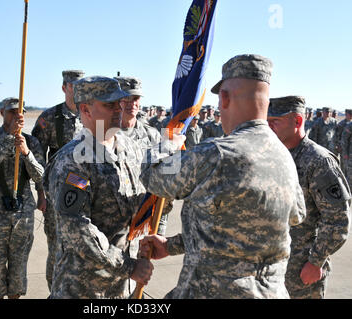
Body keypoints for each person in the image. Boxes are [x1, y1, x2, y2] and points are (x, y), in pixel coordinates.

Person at [139, 54, 306, 299]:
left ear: (224, 98)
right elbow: (294, 216)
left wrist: (166, 145)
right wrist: (171, 246)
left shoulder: (217, 154)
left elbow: (152, 175)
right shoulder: (284, 156)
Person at [46, 76, 155, 299]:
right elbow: (77, 229)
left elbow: (140, 201)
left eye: (119, 103)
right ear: (85, 109)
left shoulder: (130, 149)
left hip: (121, 287)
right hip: (84, 287)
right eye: (109, 104)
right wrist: (128, 266)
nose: (118, 109)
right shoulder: (73, 160)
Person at [267, 96, 351, 299]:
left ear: (297, 121)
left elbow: (338, 220)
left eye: (274, 122)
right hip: (269, 270)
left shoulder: (319, 161)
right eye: (266, 122)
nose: (268, 128)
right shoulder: (271, 157)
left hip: (301, 273)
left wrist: (315, 262)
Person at [0, 98, 45, 299]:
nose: (16, 116)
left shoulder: (31, 141)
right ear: (2, 112)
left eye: (20, 113)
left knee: (18, 267)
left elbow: (41, 175)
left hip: (22, 212)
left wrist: (26, 153)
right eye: (11, 112)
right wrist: (9, 137)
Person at [31, 70, 84, 292]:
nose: (78, 89)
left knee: (84, 247)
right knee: (57, 247)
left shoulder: (92, 114)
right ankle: (55, 291)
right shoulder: (50, 118)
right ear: (64, 88)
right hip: (57, 196)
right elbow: (36, 156)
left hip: (87, 194)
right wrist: (41, 193)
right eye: (74, 85)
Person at [116, 76, 172, 236]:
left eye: (135, 98)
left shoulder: (153, 136)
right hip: (110, 230)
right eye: (125, 99)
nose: (131, 103)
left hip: (142, 226)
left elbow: (163, 187)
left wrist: (158, 231)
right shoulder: (102, 135)